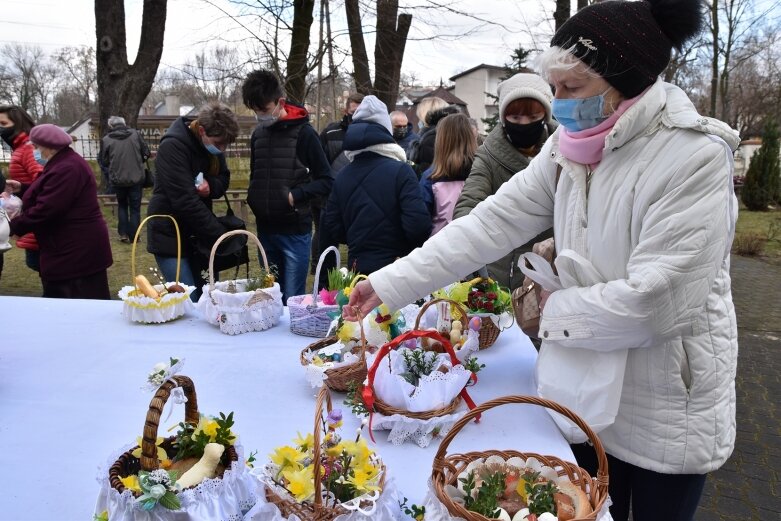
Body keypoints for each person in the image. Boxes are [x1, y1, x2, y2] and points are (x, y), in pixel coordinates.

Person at [343, 1, 739, 520]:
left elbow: (656, 303)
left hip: (664, 399)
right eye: (553, 88)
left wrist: (550, 312)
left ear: (626, 82)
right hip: (586, 386)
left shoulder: (693, 156)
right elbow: (489, 223)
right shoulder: (569, 146)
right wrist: (391, 283)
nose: (558, 104)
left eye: (571, 89)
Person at [453, 73, 558, 290]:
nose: (524, 124)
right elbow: (469, 203)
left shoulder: (565, 150)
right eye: (515, 118)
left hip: (552, 267)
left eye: (533, 116)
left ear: (545, 115)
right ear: (503, 118)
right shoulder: (489, 155)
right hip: (503, 270)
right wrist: (466, 250)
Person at [242, 69, 334, 303]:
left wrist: (295, 196)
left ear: (279, 102)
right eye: (255, 110)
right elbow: (256, 174)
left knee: (293, 300)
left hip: (294, 230)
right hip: (265, 229)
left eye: (263, 110)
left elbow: (326, 180)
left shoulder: (305, 134)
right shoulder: (258, 135)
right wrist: (254, 196)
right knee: (268, 298)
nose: (260, 116)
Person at [319, 95, 430, 277]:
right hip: (397, 268)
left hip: (358, 269)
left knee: (358, 307)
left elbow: (333, 225)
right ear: (386, 130)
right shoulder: (402, 171)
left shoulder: (343, 176)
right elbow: (418, 225)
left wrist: (358, 240)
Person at [146, 102, 239, 302]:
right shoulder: (173, 146)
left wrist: (210, 187)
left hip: (199, 235)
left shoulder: (211, 147)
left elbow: (223, 178)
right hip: (170, 234)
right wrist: (220, 236)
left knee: (210, 297)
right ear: (202, 130)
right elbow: (185, 201)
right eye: (219, 143)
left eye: (226, 145)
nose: (222, 150)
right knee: (188, 300)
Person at [6, 124, 113, 299]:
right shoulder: (63, 162)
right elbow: (50, 191)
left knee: (75, 301)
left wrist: (10, 227)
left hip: (75, 251)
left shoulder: (67, 167)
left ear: (48, 146)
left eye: (36, 146)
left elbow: (47, 209)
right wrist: (23, 188)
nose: (34, 151)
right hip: (70, 247)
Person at [311, 93, 364, 276]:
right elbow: (318, 165)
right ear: (345, 111)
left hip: (359, 198)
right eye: (353, 111)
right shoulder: (330, 133)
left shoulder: (369, 136)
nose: (356, 116)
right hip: (329, 197)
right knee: (325, 240)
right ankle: (322, 277)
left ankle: (355, 280)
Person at [0, 105, 44, 280]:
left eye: (3, 123)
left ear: (17, 123)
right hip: (32, 215)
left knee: (38, 263)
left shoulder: (27, 148)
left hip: (37, 217)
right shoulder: (20, 148)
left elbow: (44, 181)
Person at [419, 113, 476, 235]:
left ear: (441, 140)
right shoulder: (481, 173)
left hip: (439, 245)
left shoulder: (430, 177)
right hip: (474, 243)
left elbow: (421, 221)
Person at [99, 116, 150, 243]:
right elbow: (146, 152)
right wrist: (139, 160)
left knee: (122, 205)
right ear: (124, 123)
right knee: (135, 208)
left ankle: (123, 234)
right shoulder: (135, 134)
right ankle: (135, 236)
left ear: (111, 126)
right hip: (136, 177)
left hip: (117, 178)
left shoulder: (106, 139)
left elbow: (104, 160)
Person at [409, 97, 459, 176]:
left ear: (426, 117)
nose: (419, 122)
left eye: (420, 118)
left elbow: (426, 175)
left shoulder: (430, 139)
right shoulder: (456, 133)